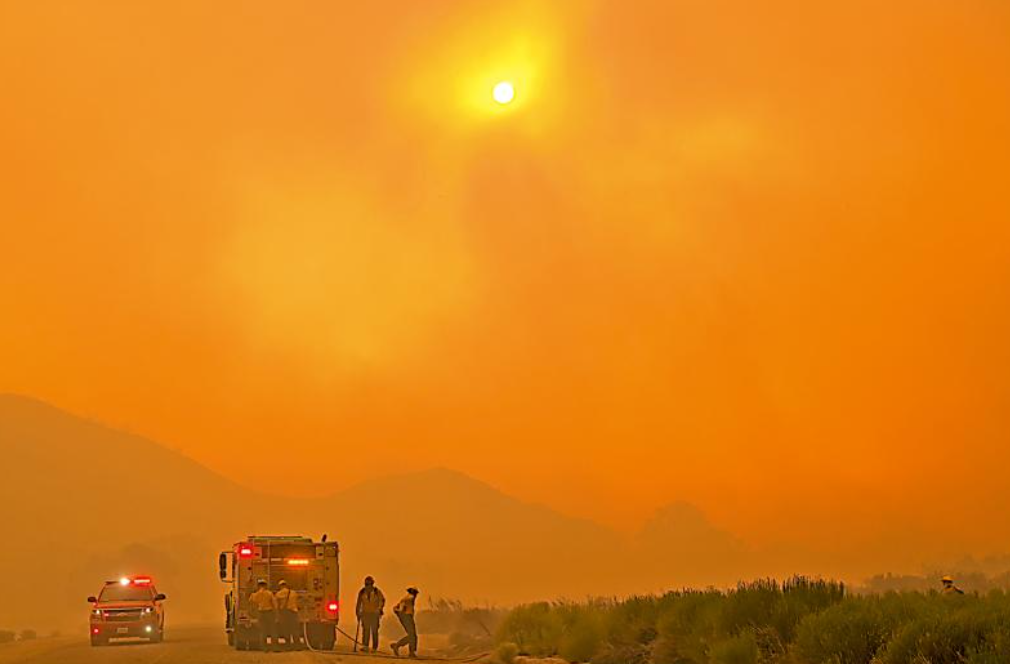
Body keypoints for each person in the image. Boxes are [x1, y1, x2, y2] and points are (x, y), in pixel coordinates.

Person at [355, 576, 385, 653]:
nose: (367, 586)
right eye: (366, 584)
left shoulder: (377, 592)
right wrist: (357, 613)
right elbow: (358, 603)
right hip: (365, 613)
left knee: (374, 630)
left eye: (369, 584)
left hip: (374, 614)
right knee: (365, 630)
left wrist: (379, 609)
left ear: (372, 584)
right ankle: (365, 646)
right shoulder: (362, 592)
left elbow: (382, 600)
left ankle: (374, 647)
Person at [249, 579, 278, 651]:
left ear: (258, 586)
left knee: (263, 631)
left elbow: (250, 601)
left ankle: (264, 648)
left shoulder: (255, 594)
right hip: (269, 613)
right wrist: (276, 613)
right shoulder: (269, 593)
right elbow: (275, 604)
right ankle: (274, 647)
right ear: (265, 585)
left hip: (261, 613)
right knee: (272, 630)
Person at [391, 587, 419, 658]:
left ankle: (399, 646)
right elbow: (402, 609)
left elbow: (395, 608)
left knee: (412, 636)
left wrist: (399, 614)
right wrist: (403, 615)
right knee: (412, 635)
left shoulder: (404, 598)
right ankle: (398, 646)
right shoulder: (410, 598)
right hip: (407, 617)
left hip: (405, 617)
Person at [275, 579, 301, 650]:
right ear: (286, 585)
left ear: (280, 586)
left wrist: (277, 616)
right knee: (295, 629)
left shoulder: (278, 594)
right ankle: (297, 646)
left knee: (286, 630)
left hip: (284, 614)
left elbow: (277, 606)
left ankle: (288, 646)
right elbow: (297, 601)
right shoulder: (293, 593)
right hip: (293, 613)